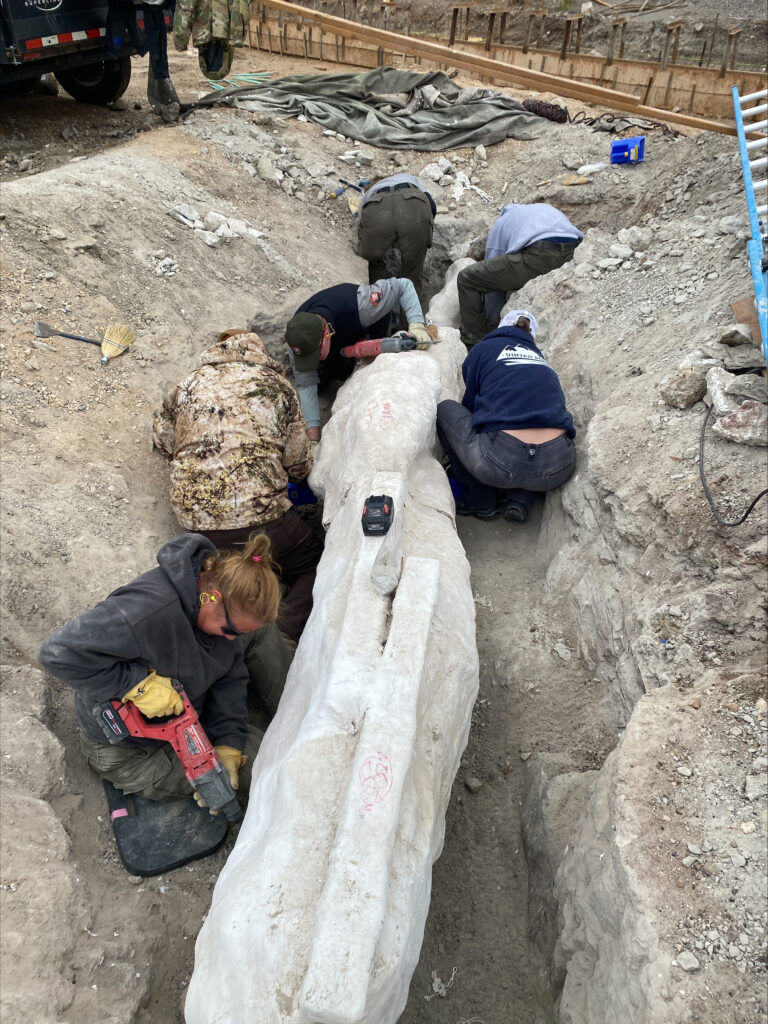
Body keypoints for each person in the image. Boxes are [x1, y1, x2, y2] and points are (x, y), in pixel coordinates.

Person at [37, 533, 280, 804]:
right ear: (212, 597)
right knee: (263, 772)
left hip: (190, 705)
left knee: (266, 757)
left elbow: (230, 675)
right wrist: (135, 684)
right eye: (230, 630)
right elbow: (57, 654)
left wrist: (228, 742)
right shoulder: (144, 612)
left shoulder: (222, 613)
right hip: (132, 751)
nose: (233, 638)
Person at [152, 328, 322, 648]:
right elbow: (299, 461)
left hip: (196, 523)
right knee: (315, 561)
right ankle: (280, 634)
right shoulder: (277, 387)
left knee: (244, 554)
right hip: (260, 517)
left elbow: (163, 441)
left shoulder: (188, 384)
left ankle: (231, 603)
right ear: (261, 354)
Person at [436, 309, 576, 522]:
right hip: (557, 466)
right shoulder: (542, 361)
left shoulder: (483, 349)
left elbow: (473, 409)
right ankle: (520, 500)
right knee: (536, 441)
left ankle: (481, 502)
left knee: (445, 410)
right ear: (532, 337)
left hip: (500, 462)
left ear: (501, 329)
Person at [285, 279, 432, 440]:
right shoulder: (298, 339)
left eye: (315, 354)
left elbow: (403, 285)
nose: (313, 359)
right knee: (320, 382)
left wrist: (417, 324)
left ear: (326, 334)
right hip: (340, 342)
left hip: (364, 325)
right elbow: (306, 386)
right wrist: (313, 441)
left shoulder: (363, 305)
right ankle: (343, 365)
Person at [457, 203, 583, 347]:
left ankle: (475, 344)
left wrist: (494, 324)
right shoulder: (544, 209)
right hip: (574, 251)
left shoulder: (502, 222)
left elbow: (492, 280)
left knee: (467, 278)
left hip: (539, 255)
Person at [357, 174, 437, 304]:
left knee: (375, 265)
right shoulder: (408, 178)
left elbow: (363, 224)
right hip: (415, 206)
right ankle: (411, 323)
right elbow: (432, 205)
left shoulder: (369, 195)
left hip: (376, 210)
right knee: (412, 275)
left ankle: (377, 314)